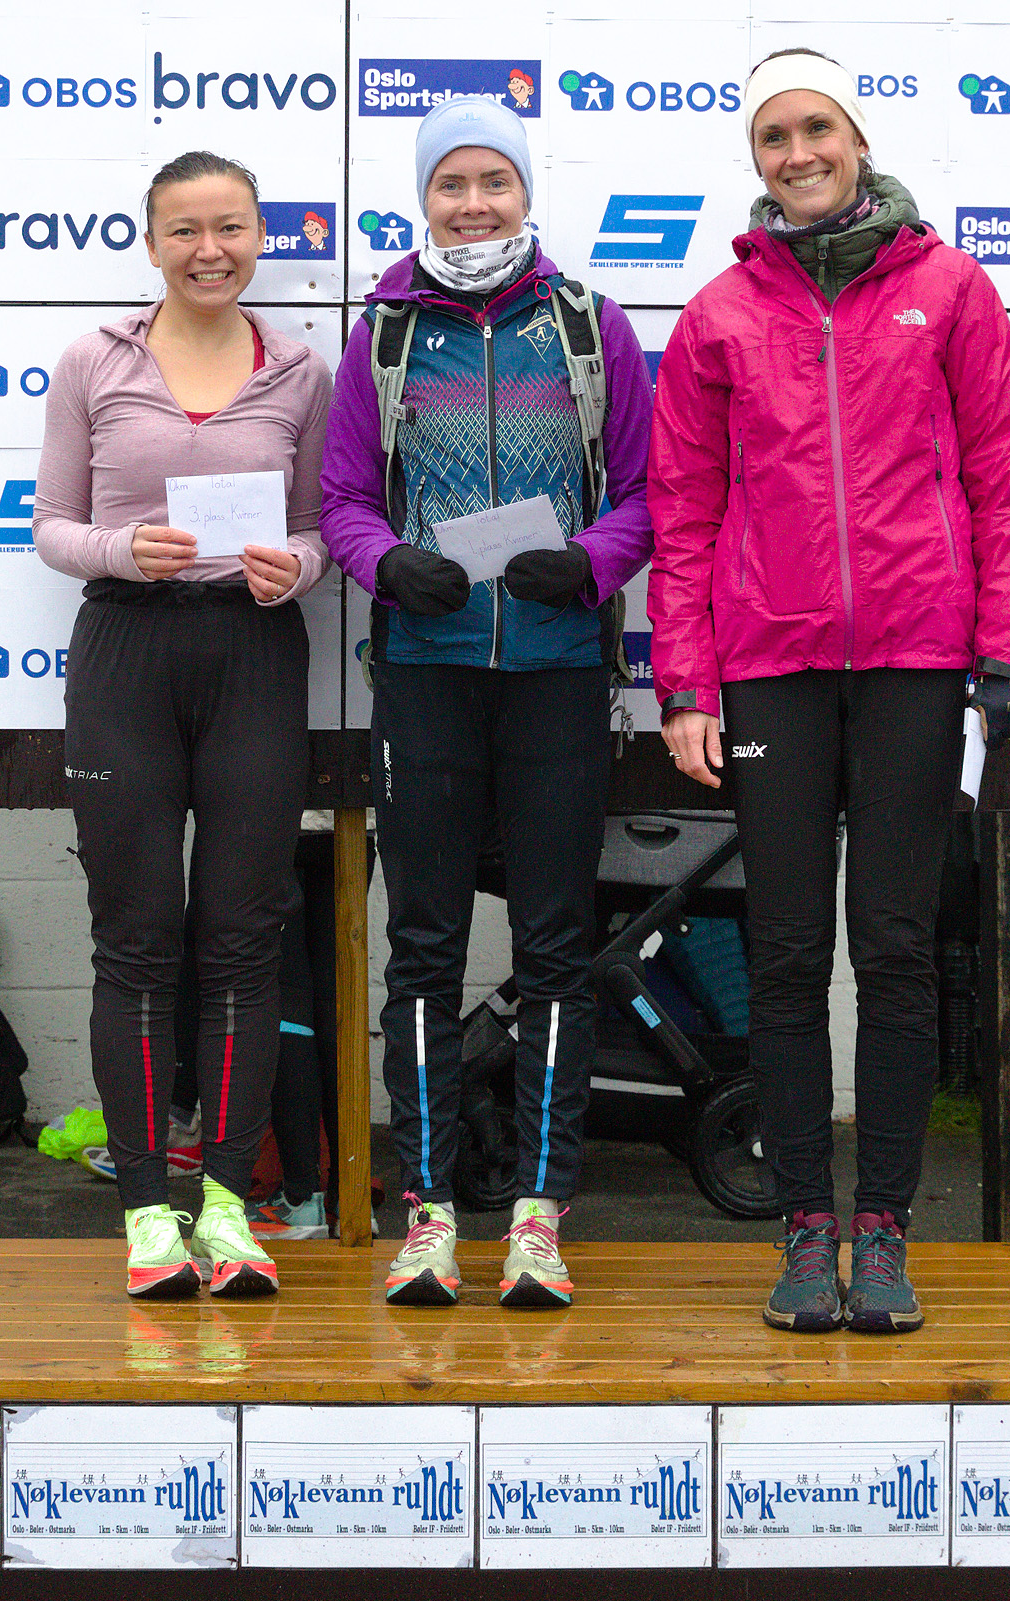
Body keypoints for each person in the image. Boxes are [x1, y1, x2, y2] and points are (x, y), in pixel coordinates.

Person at [649, 49, 1010, 1334]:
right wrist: (684, 680)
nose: (796, 152)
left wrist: (1009, 649)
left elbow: (1003, 481)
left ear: (856, 138)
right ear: (754, 162)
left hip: (911, 664)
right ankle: (801, 1227)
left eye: (814, 127)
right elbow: (682, 512)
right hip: (767, 667)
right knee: (781, 955)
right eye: (771, 137)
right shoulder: (719, 315)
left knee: (891, 948)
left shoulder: (949, 289)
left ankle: (880, 1231)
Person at [320, 96, 654, 1309]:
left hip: (557, 675)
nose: (472, 204)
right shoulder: (385, 333)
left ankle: (536, 1216)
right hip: (427, 675)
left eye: (492, 182)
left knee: (556, 946)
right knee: (422, 945)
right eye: (450, 184)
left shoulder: (588, 325)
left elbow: (649, 492)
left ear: (524, 191)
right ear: (424, 198)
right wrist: (382, 564)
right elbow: (343, 495)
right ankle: (425, 1215)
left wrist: (593, 562)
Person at [34, 150, 333, 1300]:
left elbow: (316, 528)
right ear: (152, 241)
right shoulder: (94, 359)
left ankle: (224, 1203)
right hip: (126, 652)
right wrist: (122, 550)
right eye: (185, 230)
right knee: (137, 936)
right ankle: (147, 1210)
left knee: (243, 938)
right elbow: (52, 524)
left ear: (258, 237)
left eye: (231, 228)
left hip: (251, 654)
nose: (210, 250)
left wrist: (296, 566)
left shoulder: (299, 369)